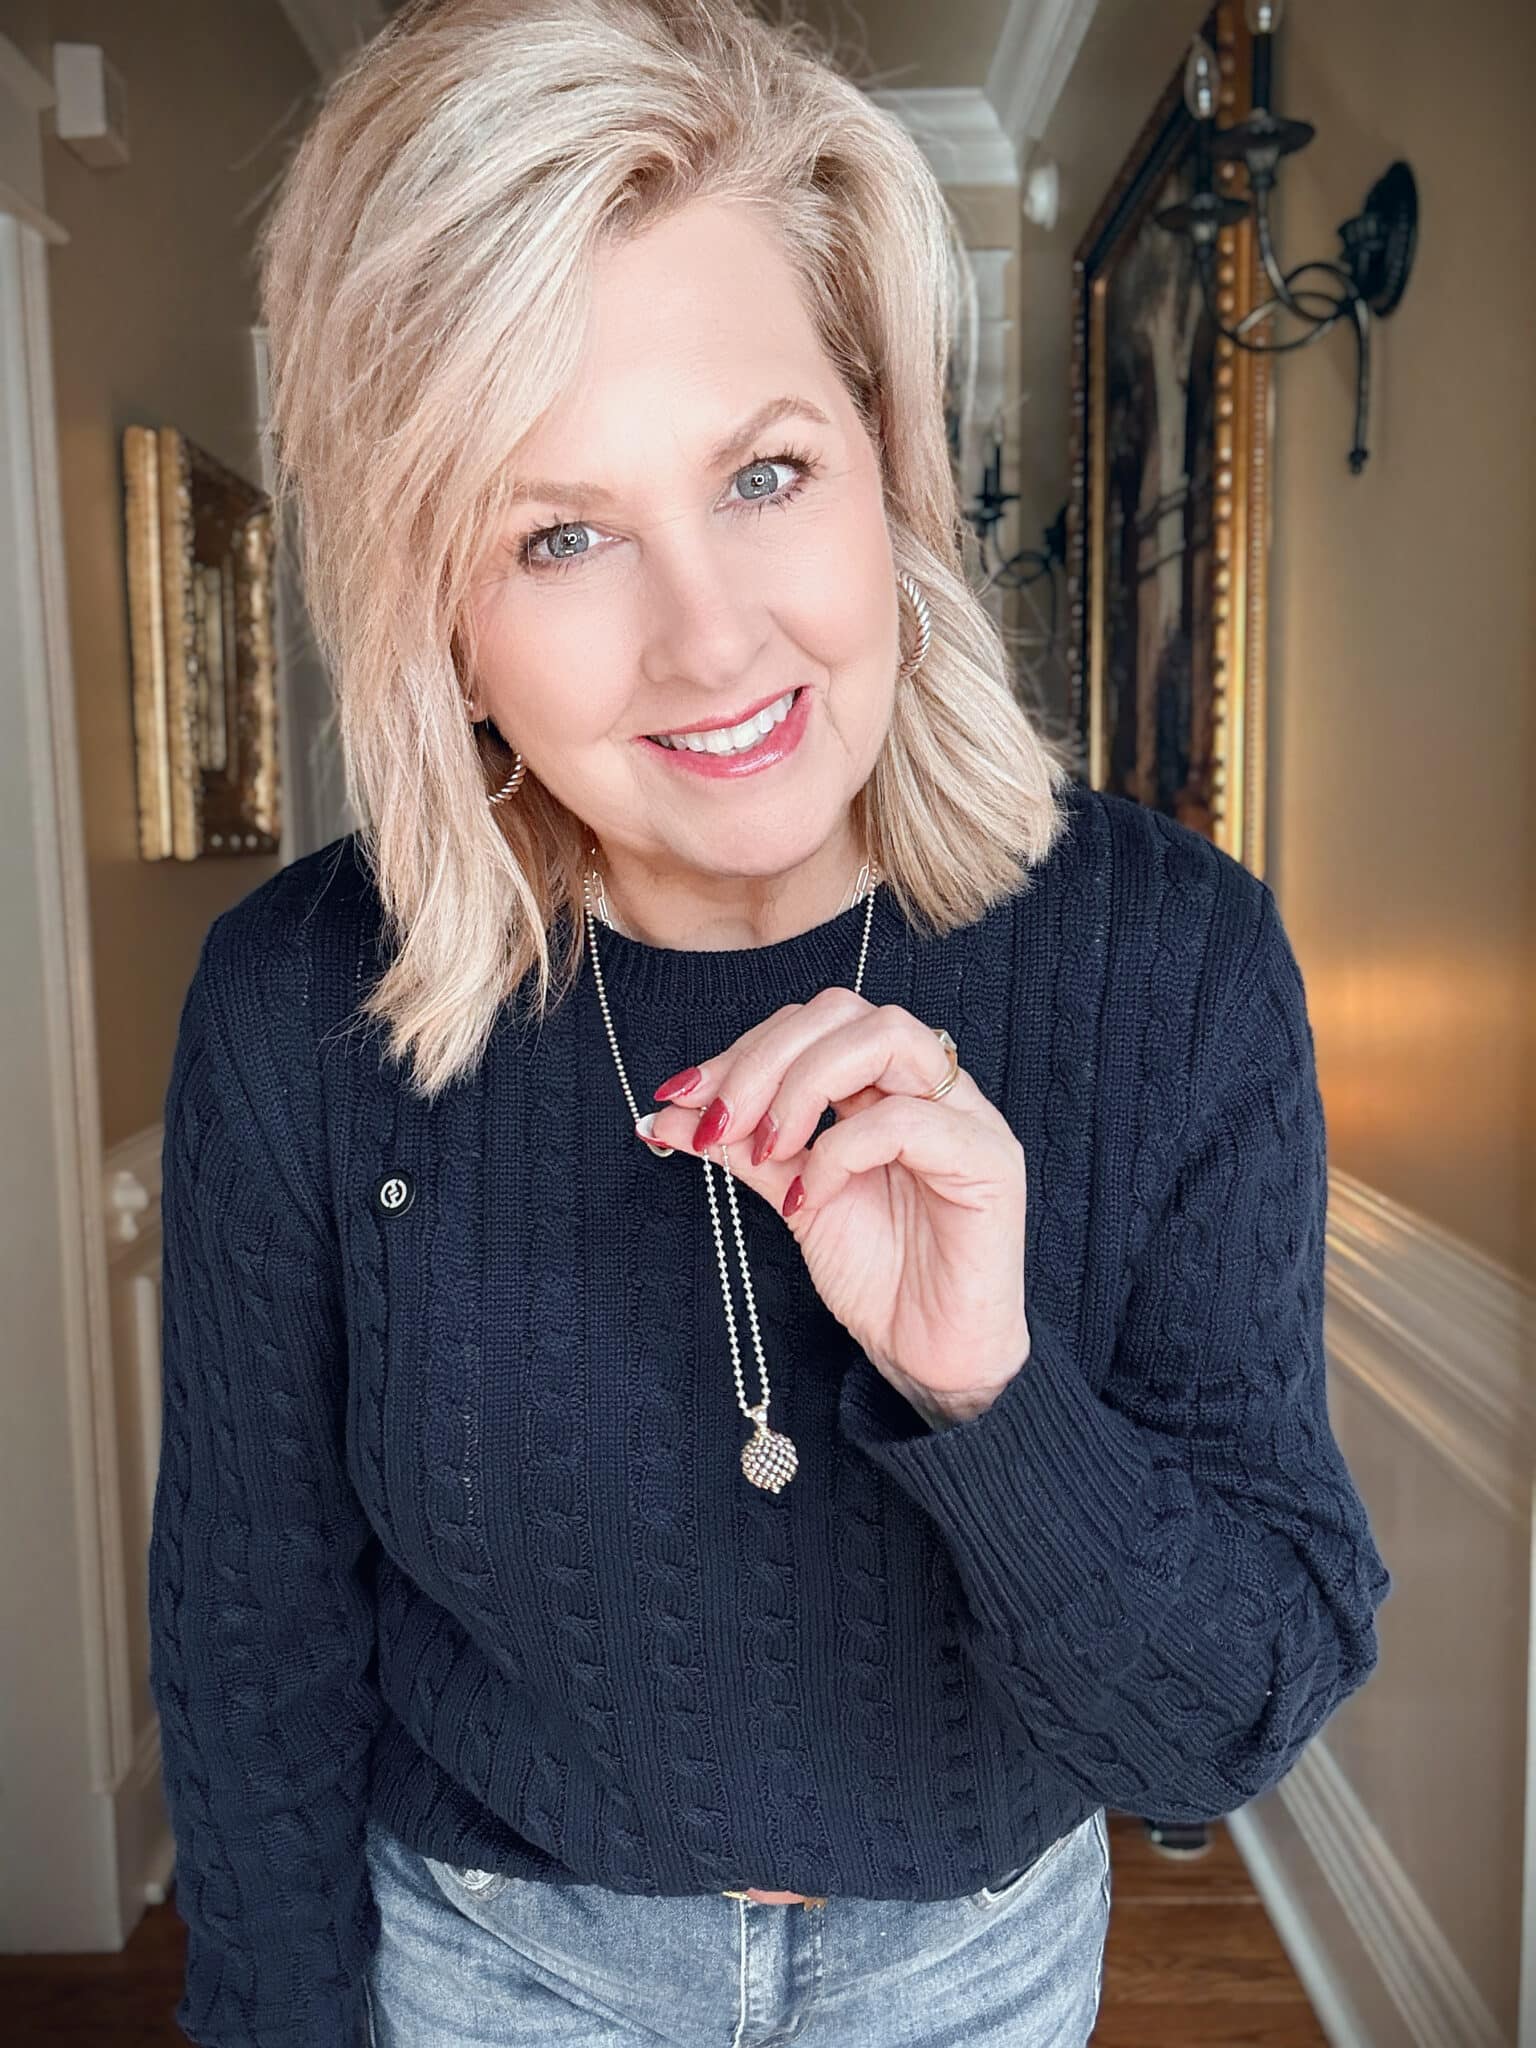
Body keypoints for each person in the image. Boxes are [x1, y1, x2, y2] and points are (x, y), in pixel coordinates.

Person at [146, 1, 1393, 2042]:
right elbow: (251, 1637)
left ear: (886, 464)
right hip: (492, 1966)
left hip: (975, 1968)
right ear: (435, 624)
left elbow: (1218, 1735)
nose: (710, 632)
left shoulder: (1174, 969)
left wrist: (995, 1387)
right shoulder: (304, 1010)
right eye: (560, 534)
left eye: (763, 471)